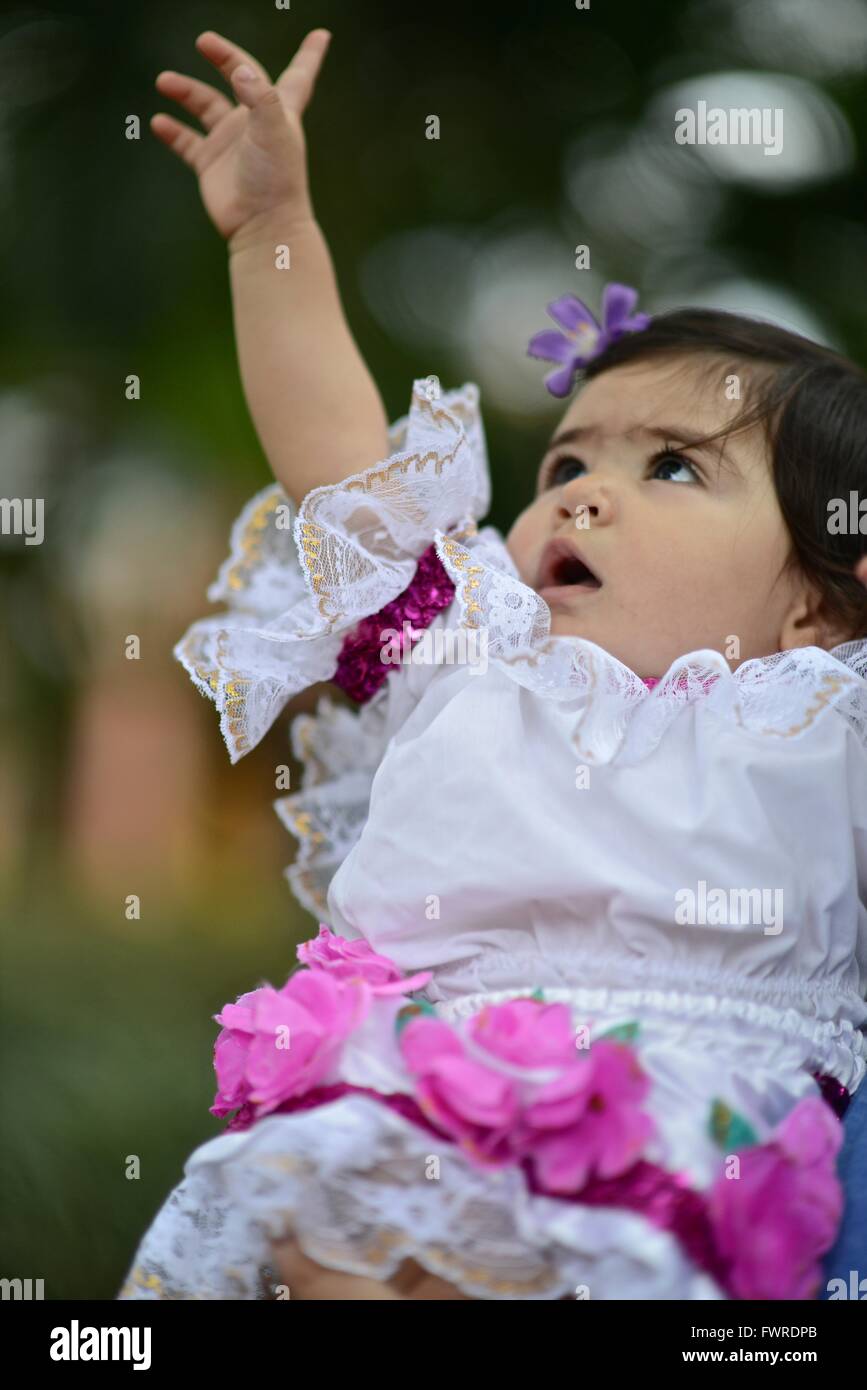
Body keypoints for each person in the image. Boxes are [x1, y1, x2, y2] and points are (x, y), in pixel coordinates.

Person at [118, 28, 867, 1301]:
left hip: (682, 1129)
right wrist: (270, 236)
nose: (579, 500)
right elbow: (342, 467)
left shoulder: (830, 708)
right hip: (421, 1100)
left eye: (672, 466)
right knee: (329, 1235)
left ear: (823, 596)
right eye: (565, 464)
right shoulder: (469, 662)